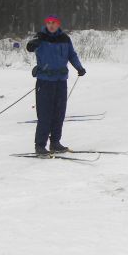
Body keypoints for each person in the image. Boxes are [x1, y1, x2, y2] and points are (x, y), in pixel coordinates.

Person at [26, 15, 85, 154]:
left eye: (54, 23)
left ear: (58, 24)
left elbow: (72, 55)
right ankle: (40, 145)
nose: (51, 25)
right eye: (49, 23)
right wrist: (32, 44)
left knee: (59, 114)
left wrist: (79, 67)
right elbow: (30, 47)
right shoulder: (40, 37)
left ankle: (55, 143)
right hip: (45, 82)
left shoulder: (65, 38)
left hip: (61, 81)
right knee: (45, 114)